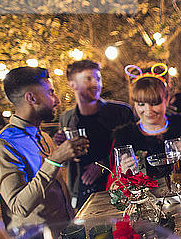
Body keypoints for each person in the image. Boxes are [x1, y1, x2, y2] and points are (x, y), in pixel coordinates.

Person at [0, 67, 87, 234]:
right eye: (50, 92)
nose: (57, 100)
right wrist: (54, 160)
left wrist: (69, 155)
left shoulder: (44, 137)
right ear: (31, 98)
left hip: (69, 235)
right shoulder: (1, 146)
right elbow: (19, 206)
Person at [54, 60, 134, 209]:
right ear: (72, 84)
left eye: (98, 78)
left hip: (120, 186)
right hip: (83, 192)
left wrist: (102, 165)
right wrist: (61, 147)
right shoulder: (67, 118)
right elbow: (66, 163)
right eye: (88, 79)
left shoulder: (121, 112)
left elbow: (134, 150)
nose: (96, 83)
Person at [112, 70, 181, 181]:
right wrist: (124, 174)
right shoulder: (124, 136)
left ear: (166, 100)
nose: (148, 110)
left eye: (154, 103)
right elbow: (115, 183)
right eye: (141, 104)